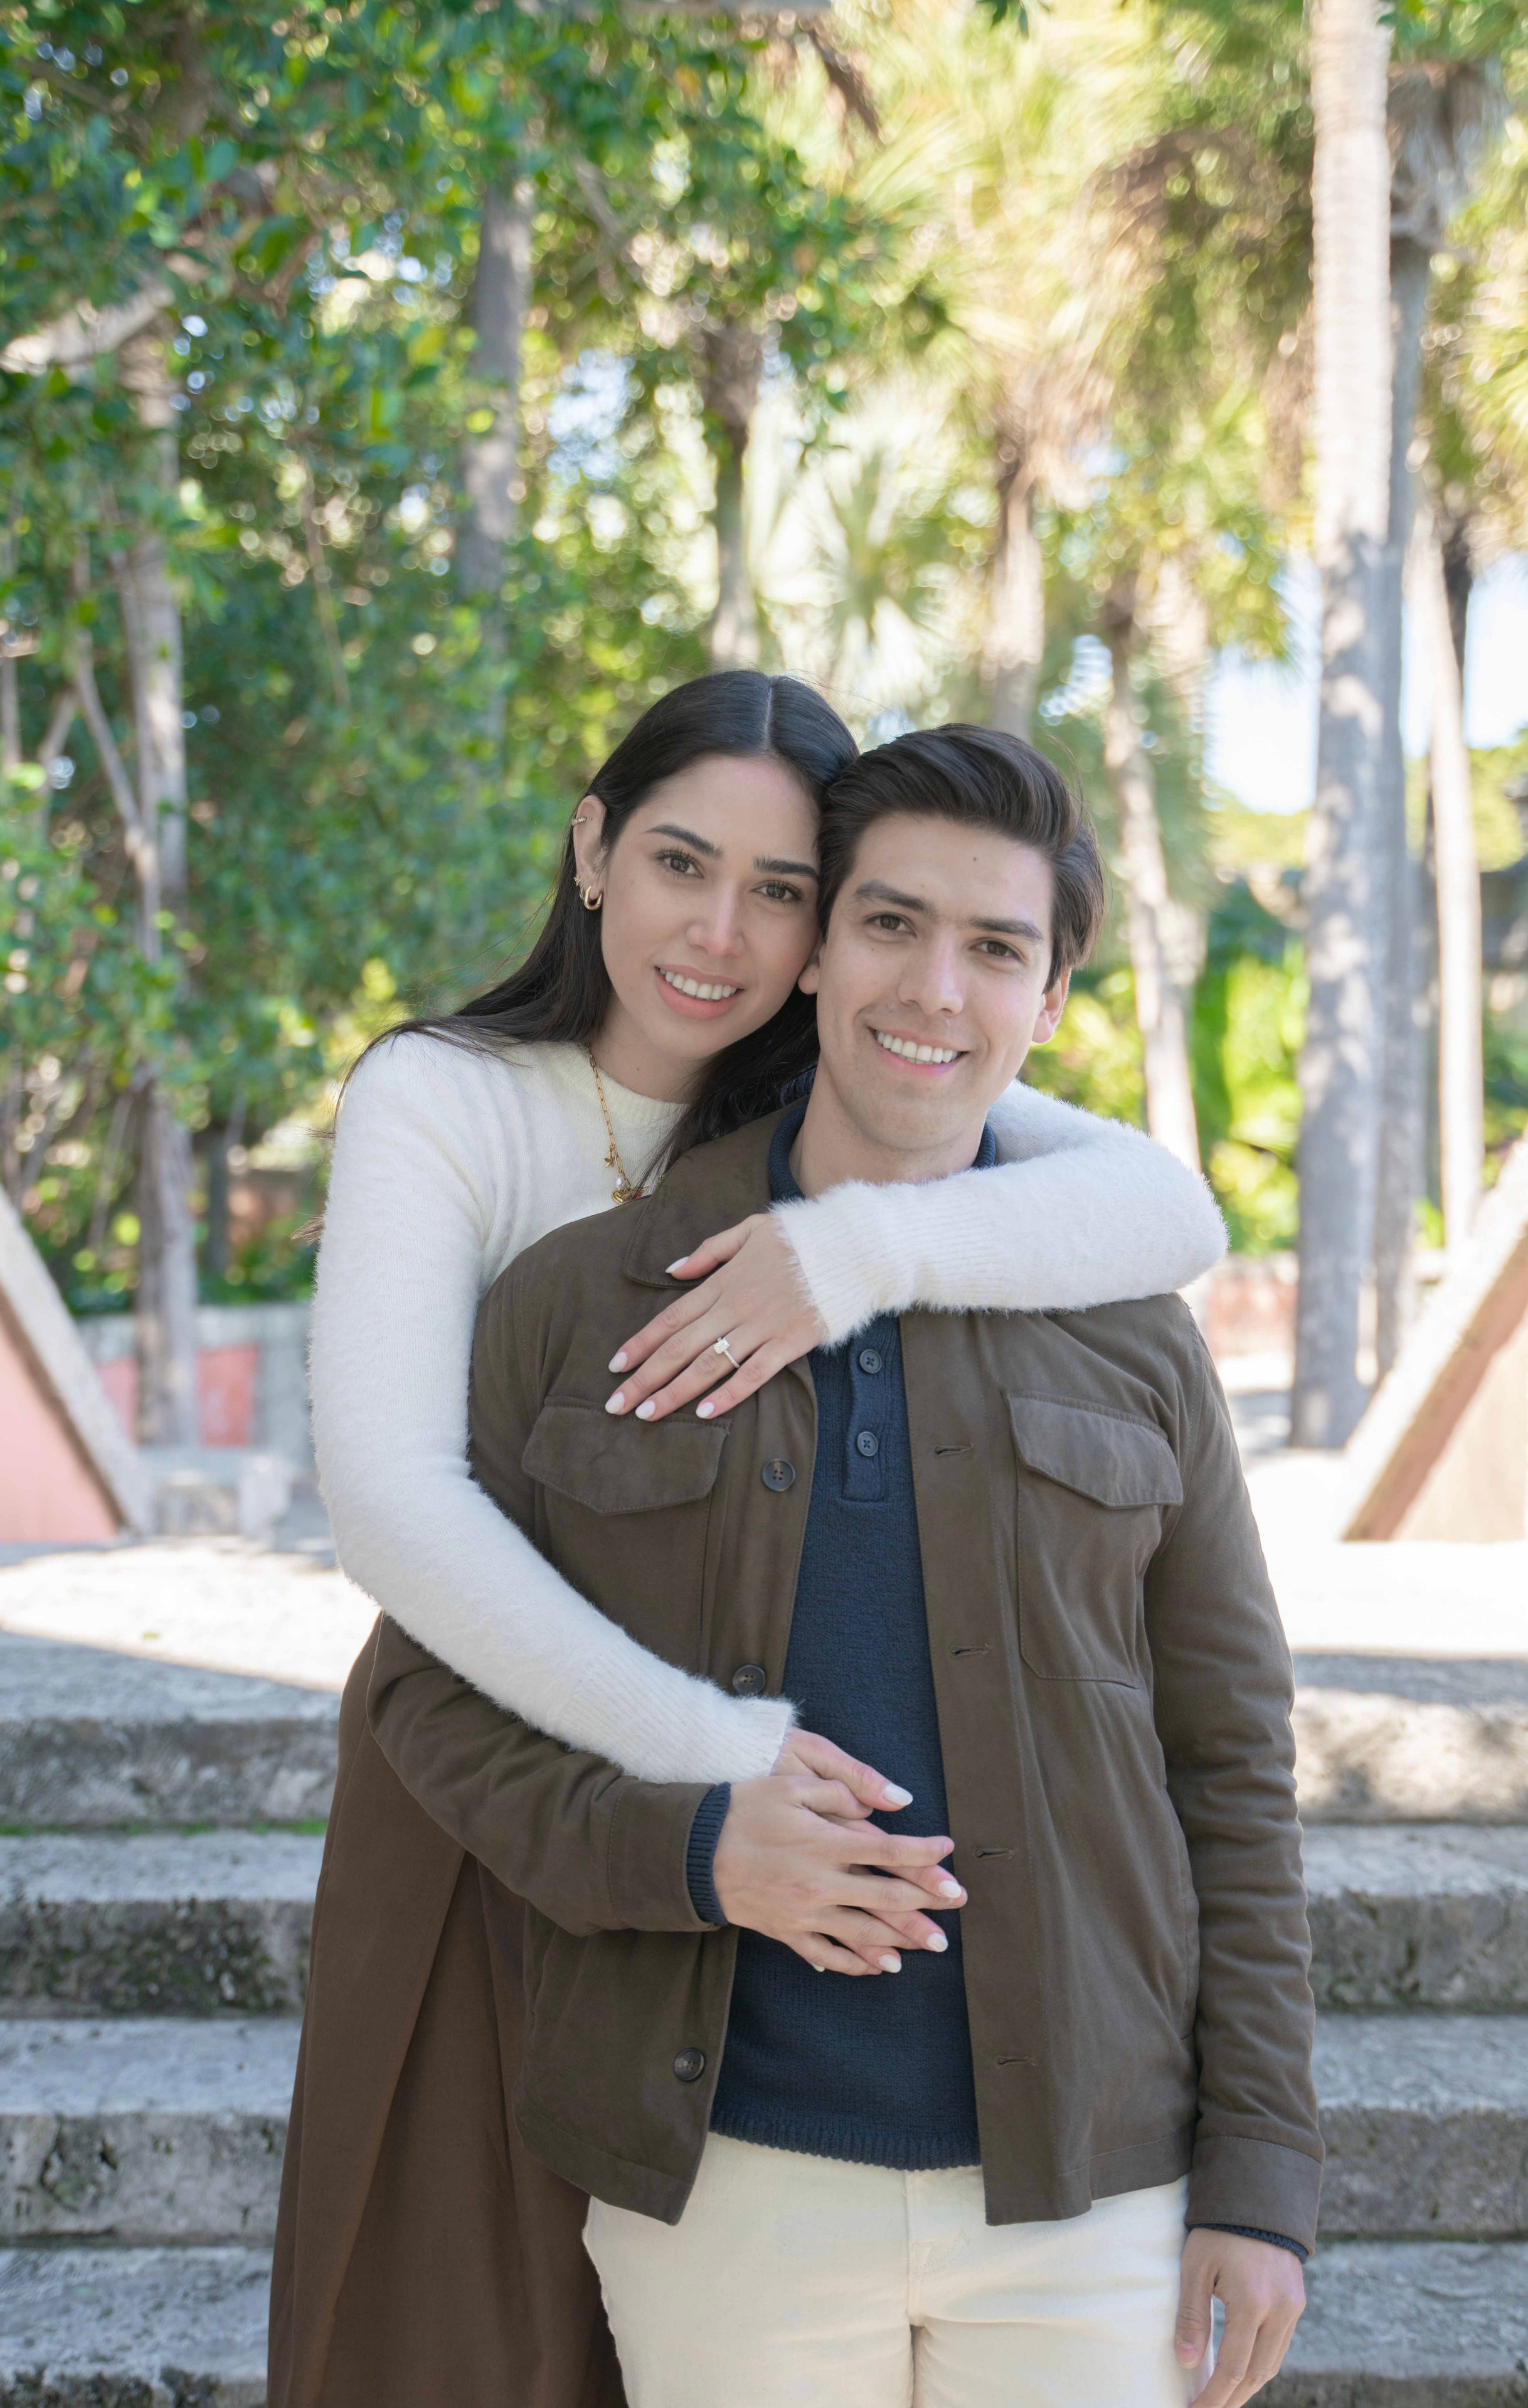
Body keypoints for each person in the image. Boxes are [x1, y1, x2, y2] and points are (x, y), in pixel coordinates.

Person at [270, 674, 1228, 2406]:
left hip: (800, 1951)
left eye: (780, 891)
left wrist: (853, 1252)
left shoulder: (826, 1087)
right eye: (678, 864)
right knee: (456, 2327)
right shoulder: (446, 1096)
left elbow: (1173, 1207)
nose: (720, 932)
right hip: (507, 1744)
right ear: (591, 851)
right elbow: (396, 1507)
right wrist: (726, 1773)